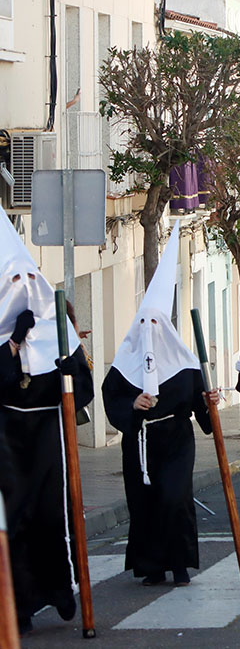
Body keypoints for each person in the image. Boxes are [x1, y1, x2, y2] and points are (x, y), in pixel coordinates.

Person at [103, 222, 214, 588]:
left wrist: (210, 403)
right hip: (139, 441)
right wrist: (132, 404)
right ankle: (151, 566)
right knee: (144, 501)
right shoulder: (126, 363)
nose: (150, 328)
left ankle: (179, 564)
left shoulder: (185, 365)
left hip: (176, 439)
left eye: (156, 321)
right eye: (144, 321)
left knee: (174, 497)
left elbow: (203, 412)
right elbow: (112, 397)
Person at [0, 212, 93, 633]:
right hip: (7, 440)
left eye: (28, 281)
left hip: (48, 438)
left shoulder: (59, 333)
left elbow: (84, 391)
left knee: (52, 517)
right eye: (13, 283)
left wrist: (68, 371)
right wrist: (14, 342)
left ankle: (60, 590)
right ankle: (19, 607)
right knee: (14, 521)